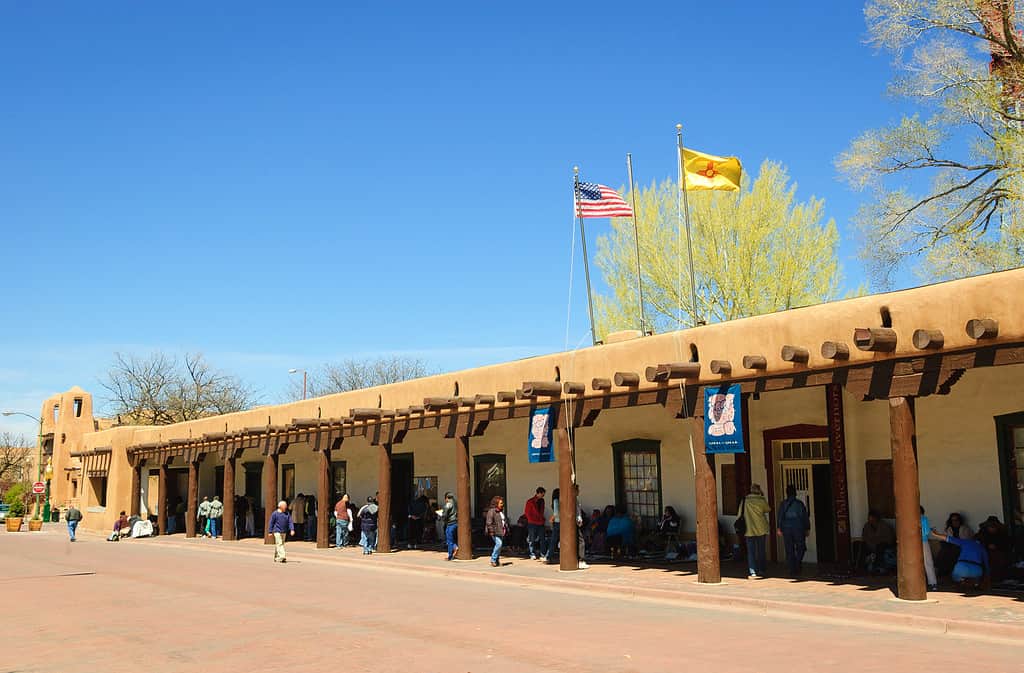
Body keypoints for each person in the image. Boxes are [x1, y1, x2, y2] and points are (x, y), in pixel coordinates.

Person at [776, 484, 811, 576]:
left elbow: (780, 517)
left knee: (789, 549)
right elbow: (804, 517)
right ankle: (797, 563)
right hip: (798, 528)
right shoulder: (799, 504)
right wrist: (807, 528)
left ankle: (792, 568)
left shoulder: (783, 504)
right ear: (795, 493)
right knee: (801, 547)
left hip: (786, 528)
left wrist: (779, 528)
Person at [742, 484, 771, 579]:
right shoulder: (761, 500)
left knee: (751, 551)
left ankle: (752, 571)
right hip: (761, 528)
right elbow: (768, 509)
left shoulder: (745, 500)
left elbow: (740, 513)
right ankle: (762, 569)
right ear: (759, 490)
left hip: (749, 528)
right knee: (761, 550)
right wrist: (762, 495)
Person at [860, 509, 896, 574]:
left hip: (882, 545)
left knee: (880, 547)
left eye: (873, 518)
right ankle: (862, 567)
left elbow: (889, 539)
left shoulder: (884, 526)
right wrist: (870, 543)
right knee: (860, 545)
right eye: (870, 518)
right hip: (870, 545)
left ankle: (879, 567)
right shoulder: (867, 526)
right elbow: (864, 537)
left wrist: (877, 542)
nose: (871, 520)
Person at [523, 486, 547, 560]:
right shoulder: (530, 501)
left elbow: (542, 511)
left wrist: (542, 519)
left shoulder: (542, 501)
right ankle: (532, 553)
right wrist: (531, 519)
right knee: (532, 539)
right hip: (532, 522)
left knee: (542, 539)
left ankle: (542, 554)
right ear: (538, 493)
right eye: (542, 494)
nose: (543, 496)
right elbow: (527, 512)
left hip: (540, 522)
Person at [485, 496, 508, 567]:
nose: (502, 504)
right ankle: (493, 559)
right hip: (495, 531)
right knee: (499, 544)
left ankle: (497, 561)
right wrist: (491, 531)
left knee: (499, 546)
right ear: (496, 503)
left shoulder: (501, 511)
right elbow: (489, 522)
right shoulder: (491, 511)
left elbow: (503, 521)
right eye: (500, 503)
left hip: (501, 531)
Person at [920, 506, 938, 590]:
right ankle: (932, 583)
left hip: (911, 543)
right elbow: (926, 532)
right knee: (928, 562)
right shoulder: (924, 518)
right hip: (923, 541)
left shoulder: (908, 519)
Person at [544, 488, 561, 563]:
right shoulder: (563, 500)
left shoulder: (556, 500)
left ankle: (548, 556)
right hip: (564, 522)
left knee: (553, 540)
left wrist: (551, 519)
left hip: (557, 522)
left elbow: (556, 513)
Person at [441, 491, 458, 560]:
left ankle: (450, 556)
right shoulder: (455, 503)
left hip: (450, 523)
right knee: (451, 539)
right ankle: (455, 547)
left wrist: (442, 516)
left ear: (446, 498)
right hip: (455, 522)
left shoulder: (448, 504)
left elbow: (445, 514)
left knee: (449, 539)